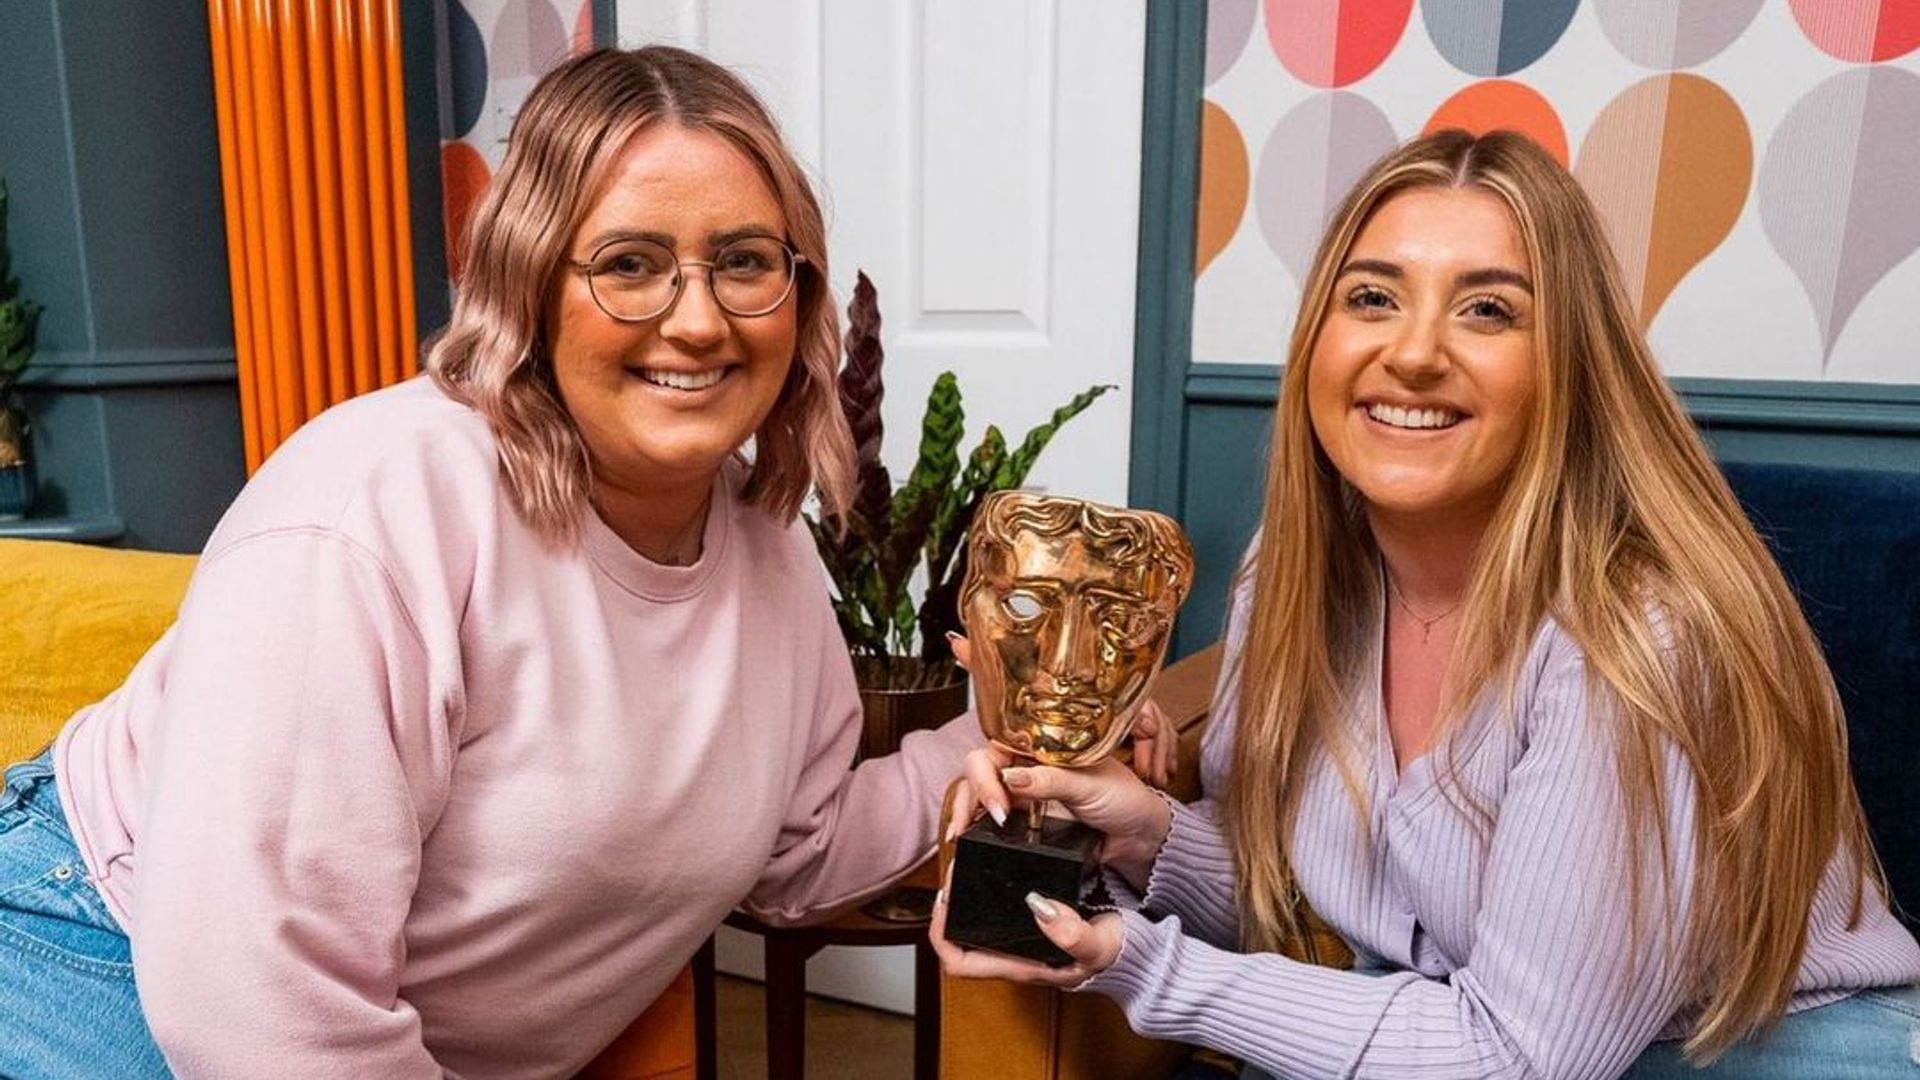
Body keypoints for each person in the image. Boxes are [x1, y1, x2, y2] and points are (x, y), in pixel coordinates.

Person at [0, 45, 1186, 1080]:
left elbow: (798, 851)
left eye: (744, 261)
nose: (698, 320)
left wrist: (1003, 739)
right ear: (530, 285)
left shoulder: (764, 551)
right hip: (96, 949)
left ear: (798, 294)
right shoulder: (374, 510)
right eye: (628, 263)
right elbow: (262, 1007)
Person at [934, 130, 1920, 1078]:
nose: (1413, 353)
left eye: (1487, 310)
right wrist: (1145, 831)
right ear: (1317, 340)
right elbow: (1320, 910)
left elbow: (1518, 1057)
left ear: (1569, 365)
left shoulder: (1638, 642)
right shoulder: (1291, 579)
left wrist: (1148, 968)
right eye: (1372, 297)